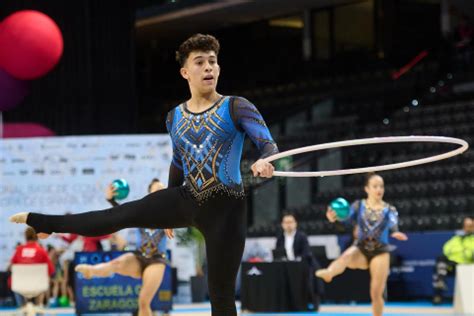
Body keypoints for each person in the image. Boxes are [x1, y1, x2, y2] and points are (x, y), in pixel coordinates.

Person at [10, 33, 277, 316]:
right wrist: (169, 204)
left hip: (226, 208)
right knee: (119, 215)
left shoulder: (236, 106)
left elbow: (268, 144)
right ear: (185, 72)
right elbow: (179, 161)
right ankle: (45, 222)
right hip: (187, 198)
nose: (209, 67)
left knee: (220, 296)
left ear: (219, 68)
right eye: (200, 62)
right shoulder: (174, 117)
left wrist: (265, 160)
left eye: (213, 61)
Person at [75, 178, 173, 316]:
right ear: (150, 193)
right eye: (157, 189)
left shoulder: (170, 213)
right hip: (138, 257)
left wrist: (171, 221)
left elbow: (182, 217)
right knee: (116, 263)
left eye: (163, 189)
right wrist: (110, 200)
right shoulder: (141, 212)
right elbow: (121, 213)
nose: (161, 191)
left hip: (157, 261)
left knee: (143, 302)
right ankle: (91, 271)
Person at [315, 173, 408, 316]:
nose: (379, 189)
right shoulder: (359, 205)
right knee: (346, 255)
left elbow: (393, 222)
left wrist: (395, 232)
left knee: (375, 293)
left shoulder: (389, 209)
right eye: (375, 186)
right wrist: (334, 219)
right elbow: (344, 222)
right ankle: (329, 273)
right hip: (361, 248)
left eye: (381, 186)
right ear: (367, 189)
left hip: (380, 251)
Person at [275, 213, 321, 311]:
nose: (288, 225)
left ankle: (309, 303)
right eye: (286, 222)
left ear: (295, 223)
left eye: (290, 222)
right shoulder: (280, 238)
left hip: (302, 266)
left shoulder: (302, 236)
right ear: (282, 224)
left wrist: (297, 260)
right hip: (286, 267)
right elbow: (278, 253)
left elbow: (306, 253)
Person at [9, 227, 55, 307]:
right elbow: (51, 271)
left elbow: (11, 267)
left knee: (15, 280)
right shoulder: (41, 251)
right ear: (36, 236)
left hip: (21, 285)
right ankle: (39, 305)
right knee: (44, 279)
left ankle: (24, 306)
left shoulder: (19, 250)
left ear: (25, 236)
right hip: (38, 286)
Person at [432, 217, 474, 304]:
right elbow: (446, 249)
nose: (467, 228)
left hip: (467, 266)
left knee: (440, 269)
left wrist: (463, 253)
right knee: (441, 259)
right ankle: (440, 285)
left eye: (470, 226)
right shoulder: (457, 238)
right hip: (451, 265)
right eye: (465, 226)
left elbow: (470, 254)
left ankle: (440, 282)